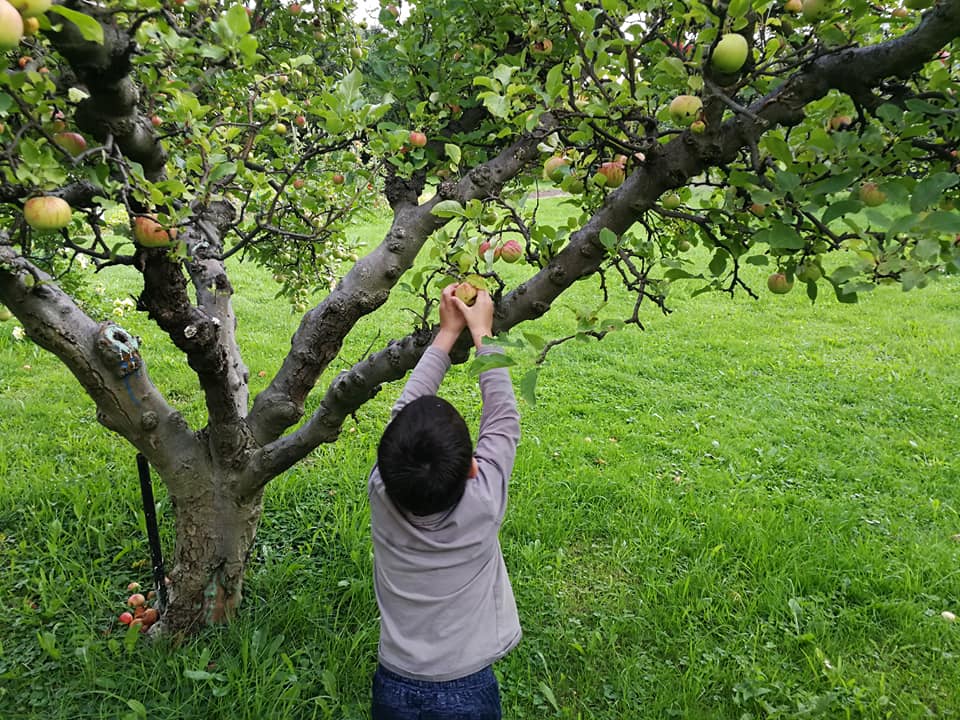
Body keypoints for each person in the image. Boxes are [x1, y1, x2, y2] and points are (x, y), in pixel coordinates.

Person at [367, 282, 522, 720]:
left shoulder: (382, 490)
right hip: (466, 688)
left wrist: (445, 334)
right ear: (473, 467)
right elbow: (503, 418)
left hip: (394, 681)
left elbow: (403, 414)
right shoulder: (484, 500)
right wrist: (481, 335)